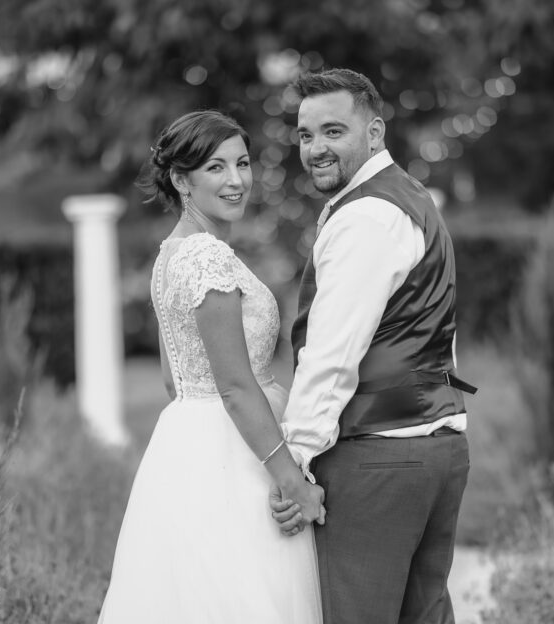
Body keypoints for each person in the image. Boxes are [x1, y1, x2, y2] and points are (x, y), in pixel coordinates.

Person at [97, 110, 324, 623]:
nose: (237, 180)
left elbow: (171, 377)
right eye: (216, 168)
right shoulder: (207, 259)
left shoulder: (171, 254)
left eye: (242, 164)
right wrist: (293, 482)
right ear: (181, 180)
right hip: (239, 451)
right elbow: (238, 388)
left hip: (186, 447)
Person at [270, 69, 477, 624]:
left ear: (375, 131)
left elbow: (331, 355)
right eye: (306, 134)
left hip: (379, 461)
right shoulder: (410, 197)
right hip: (439, 448)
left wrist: (295, 465)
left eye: (333, 131)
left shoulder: (365, 216)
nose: (315, 148)